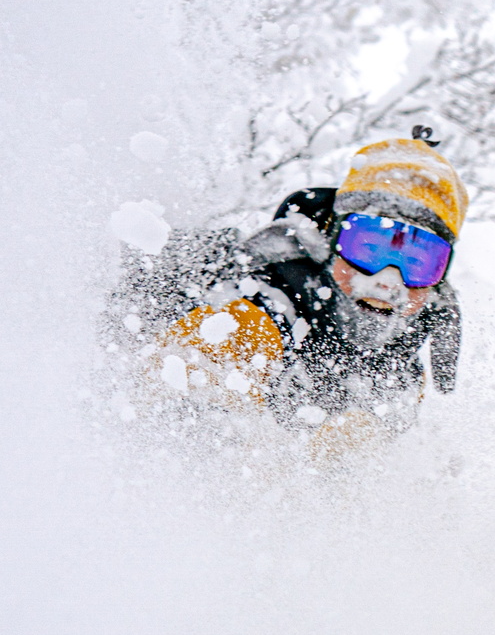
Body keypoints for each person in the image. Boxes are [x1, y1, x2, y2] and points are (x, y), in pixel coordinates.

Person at [134, 128, 467, 459]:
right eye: (368, 247)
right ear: (331, 239)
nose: (387, 281)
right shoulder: (252, 310)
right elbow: (161, 434)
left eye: (418, 262)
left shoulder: (406, 358)